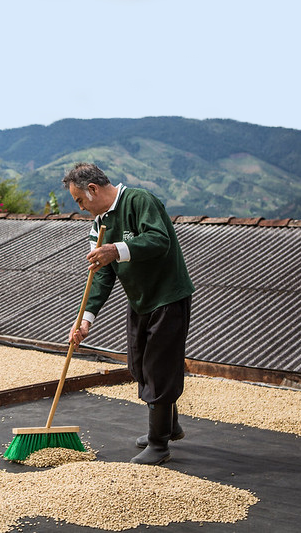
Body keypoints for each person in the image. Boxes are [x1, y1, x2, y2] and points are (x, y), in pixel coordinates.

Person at [63, 162, 194, 465]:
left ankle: (159, 444)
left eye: (80, 200)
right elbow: (101, 274)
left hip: (168, 297)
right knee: (139, 364)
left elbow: (159, 240)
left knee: (159, 367)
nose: (81, 208)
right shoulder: (99, 224)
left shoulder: (139, 201)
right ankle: (169, 426)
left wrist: (116, 250)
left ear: (92, 190)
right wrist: (85, 319)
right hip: (139, 300)